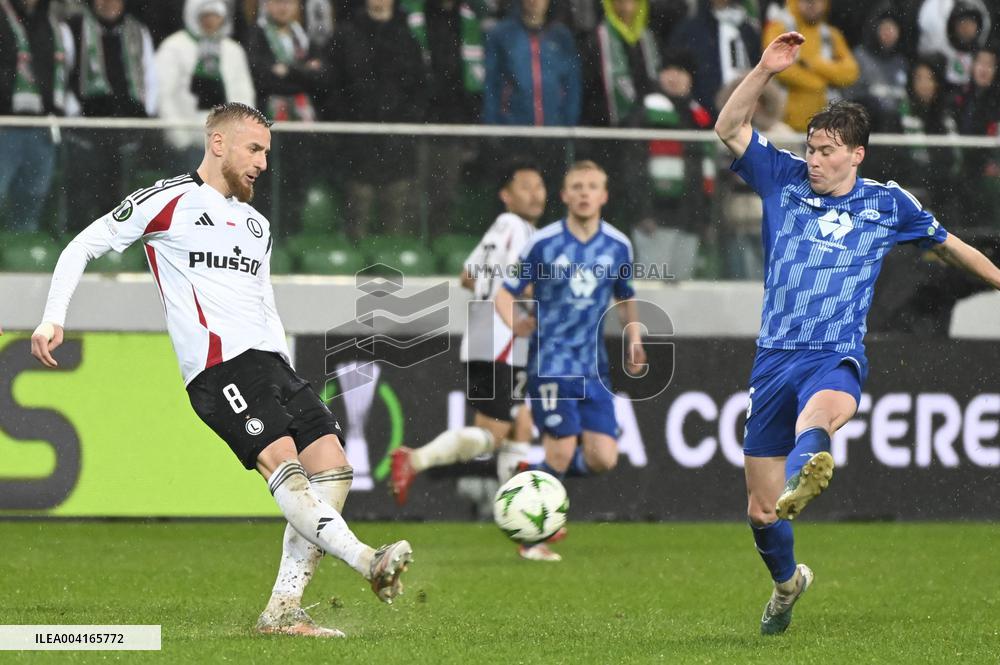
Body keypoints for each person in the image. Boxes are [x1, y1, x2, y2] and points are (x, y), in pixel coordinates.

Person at [29, 102, 413, 639]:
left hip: (270, 362)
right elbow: (81, 246)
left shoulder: (258, 225)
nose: (262, 164)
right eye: (253, 150)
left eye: (266, 153)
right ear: (217, 144)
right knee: (285, 466)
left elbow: (263, 301)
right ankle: (368, 561)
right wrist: (52, 318)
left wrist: (283, 362)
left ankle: (283, 611)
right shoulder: (167, 201)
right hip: (219, 367)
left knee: (334, 467)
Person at [714, 32, 1000, 636]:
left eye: (826, 151)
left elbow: (950, 247)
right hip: (774, 357)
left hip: (834, 353)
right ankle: (787, 583)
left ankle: (809, 462)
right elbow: (728, 126)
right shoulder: (783, 177)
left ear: (857, 155)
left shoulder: (888, 204)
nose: (814, 159)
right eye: (812, 148)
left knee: (820, 414)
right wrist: (765, 69)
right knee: (761, 511)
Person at [495, 160, 647, 561]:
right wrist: (515, 324)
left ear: (604, 196)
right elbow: (505, 293)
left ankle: (534, 476)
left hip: (594, 368)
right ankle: (532, 538)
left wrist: (634, 337)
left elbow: (625, 296)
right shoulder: (543, 243)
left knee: (603, 458)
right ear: (564, 195)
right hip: (551, 363)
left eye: (592, 186)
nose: (584, 193)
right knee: (561, 451)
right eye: (577, 186)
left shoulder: (617, 245)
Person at [389, 162, 544, 522]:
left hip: (487, 332)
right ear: (506, 195)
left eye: (539, 186)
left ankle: (521, 519)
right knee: (494, 432)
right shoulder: (518, 228)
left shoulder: (499, 229)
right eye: (525, 186)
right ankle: (415, 460)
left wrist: (494, 291)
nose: (535, 194)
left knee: (521, 424)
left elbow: (467, 276)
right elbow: (523, 283)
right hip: (502, 337)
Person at [0, 0, 72, 233]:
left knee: (32, 196)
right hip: (4, 124)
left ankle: (22, 246)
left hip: (41, 126)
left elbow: (66, 72)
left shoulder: (53, 24)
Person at [155, 0, 256, 166]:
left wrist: (240, 137)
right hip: (187, 145)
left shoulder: (233, 50)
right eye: (206, 15)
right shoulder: (173, 47)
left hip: (228, 147)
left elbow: (244, 94)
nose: (211, 21)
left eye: (216, 15)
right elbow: (164, 95)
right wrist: (180, 139)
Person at [761, 0, 858, 132]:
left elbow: (850, 73)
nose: (812, 5)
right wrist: (819, 82)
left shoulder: (831, 34)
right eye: (807, 1)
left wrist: (814, 64)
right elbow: (778, 67)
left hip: (823, 126)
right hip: (784, 124)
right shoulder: (780, 27)